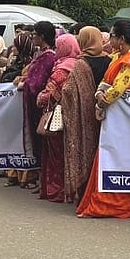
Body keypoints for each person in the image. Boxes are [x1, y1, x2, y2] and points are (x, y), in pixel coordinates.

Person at [76, 19, 130, 219]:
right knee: (109, 154)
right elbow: (105, 81)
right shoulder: (117, 56)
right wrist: (98, 94)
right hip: (113, 114)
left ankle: (120, 202)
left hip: (125, 119)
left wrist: (101, 102)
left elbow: (118, 88)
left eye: (112, 36)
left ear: (122, 39)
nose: (109, 40)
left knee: (120, 156)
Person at [61, 26, 113, 203]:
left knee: (85, 148)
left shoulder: (80, 64)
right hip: (108, 112)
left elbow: (67, 90)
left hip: (85, 116)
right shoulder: (110, 61)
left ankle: (86, 192)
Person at [36, 33, 81, 202]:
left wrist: (39, 97)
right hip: (74, 117)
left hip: (57, 117)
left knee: (56, 156)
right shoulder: (78, 65)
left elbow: (48, 95)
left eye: (58, 47)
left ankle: (56, 190)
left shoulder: (61, 70)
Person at [16, 21, 57, 191]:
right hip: (35, 105)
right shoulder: (40, 55)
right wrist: (23, 79)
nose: (32, 37)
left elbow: (38, 83)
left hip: (41, 106)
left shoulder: (49, 57)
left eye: (34, 34)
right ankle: (41, 180)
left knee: (42, 142)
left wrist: (25, 85)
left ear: (42, 36)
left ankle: (44, 181)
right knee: (37, 142)